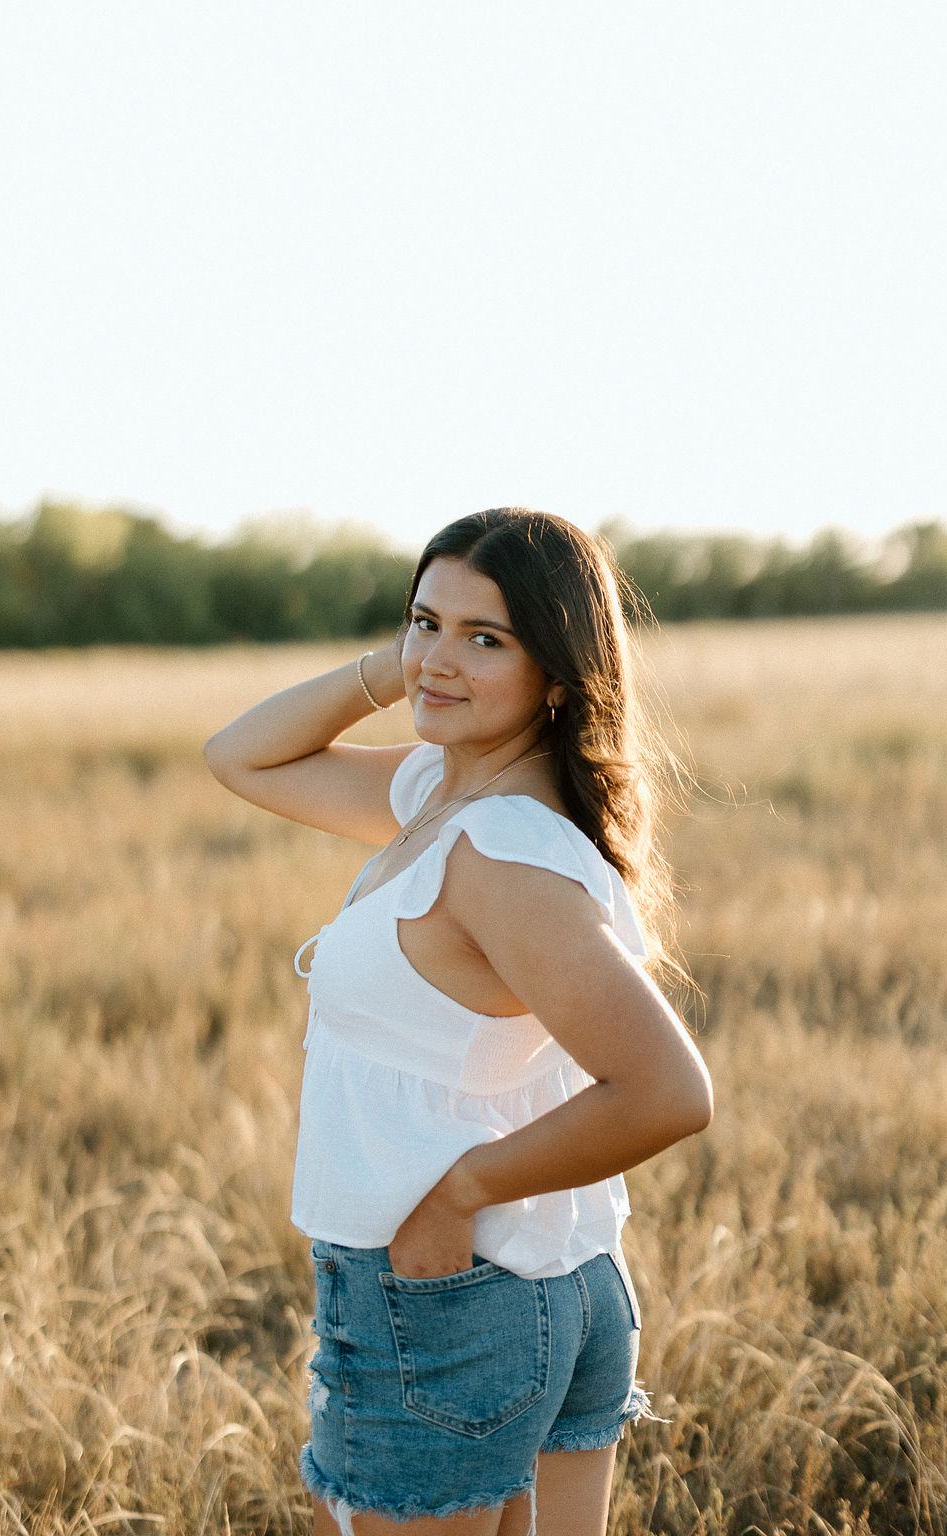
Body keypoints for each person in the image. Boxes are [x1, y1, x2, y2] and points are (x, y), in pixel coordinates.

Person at [204, 508, 713, 1536]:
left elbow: (668, 1092)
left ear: (560, 676)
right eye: (424, 621)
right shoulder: (446, 795)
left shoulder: (496, 854)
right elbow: (240, 757)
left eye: (486, 639)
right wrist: (406, 670)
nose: (440, 656)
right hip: (547, 1283)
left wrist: (458, 1194)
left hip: (448, 1300)